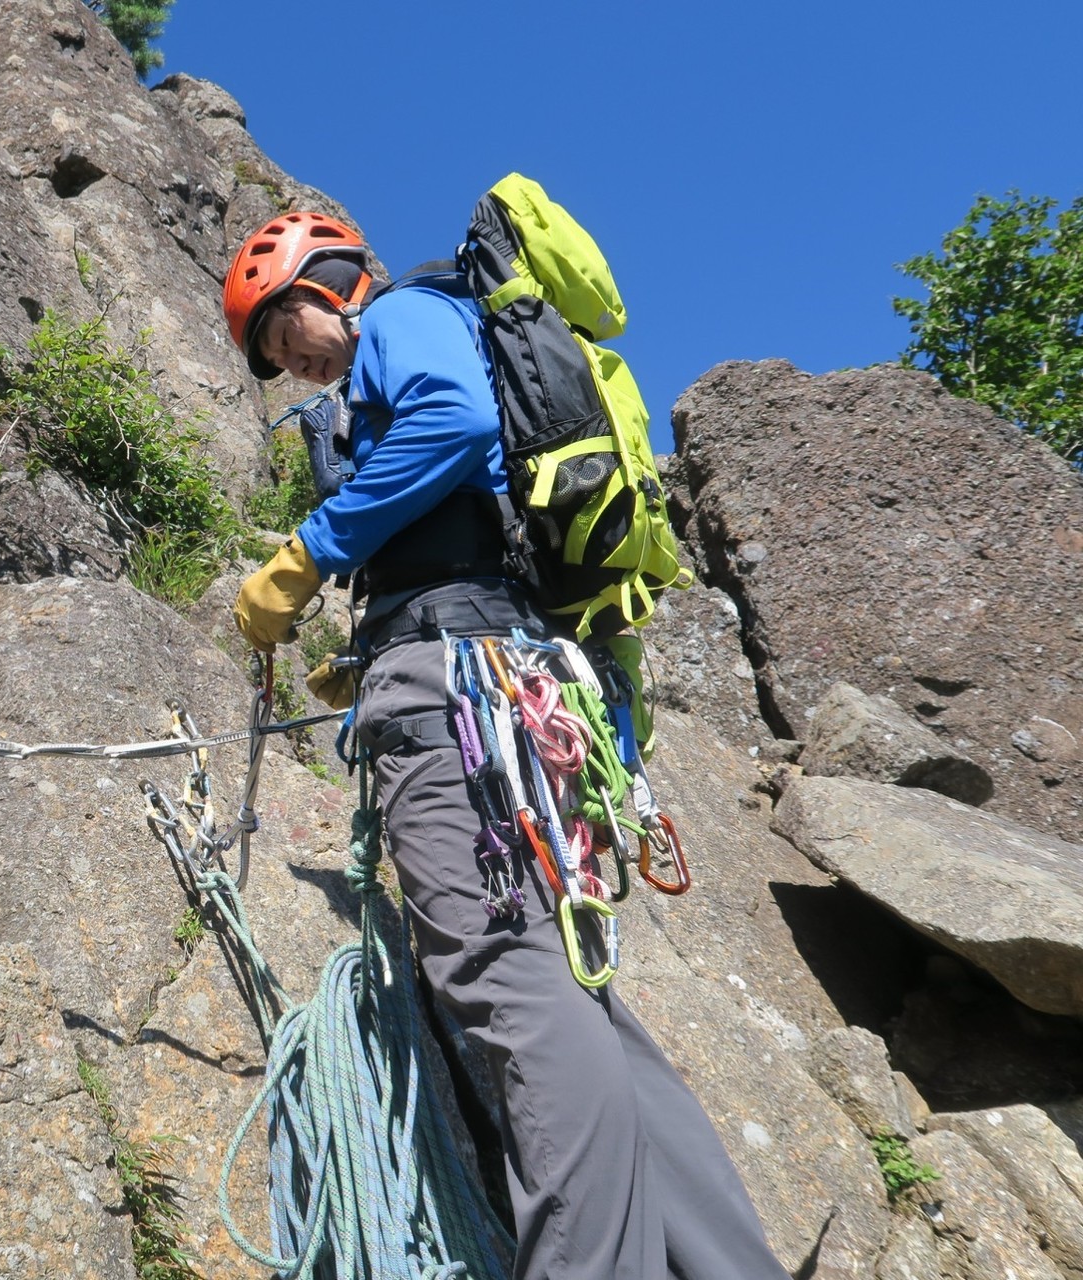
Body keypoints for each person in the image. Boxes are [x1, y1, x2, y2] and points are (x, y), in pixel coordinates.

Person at [222, 210, 790, 1280]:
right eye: (276, 359)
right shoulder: (442, 324)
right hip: (506, 687)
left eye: (286, 328)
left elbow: (451, 420)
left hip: (461, 695)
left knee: (506, 978)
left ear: (332, 282)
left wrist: (307, 555)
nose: (292, 362)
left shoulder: (401, 317)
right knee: (574, 996)